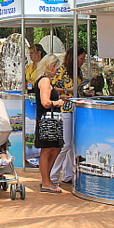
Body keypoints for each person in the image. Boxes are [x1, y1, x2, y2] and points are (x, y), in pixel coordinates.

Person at [50, 47, 87, 185]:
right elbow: (52, 87)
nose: (83, 61)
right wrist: (67, 90)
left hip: (74, 109)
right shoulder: (62, 70)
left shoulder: (76, 71)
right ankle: (53, 175)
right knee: (65, 144)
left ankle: (67, 175)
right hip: (65, 110)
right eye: (81, 58)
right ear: (74, 57)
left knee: (71, 145)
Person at [34, 54, 64, 193]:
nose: (57, 71)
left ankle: (47, 179)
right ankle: (45, 181)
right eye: (56, 68)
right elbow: (45, 102)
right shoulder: (45, 81)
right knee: (47, 150)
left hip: (50, 121)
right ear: (51, 66)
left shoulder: (45, 80)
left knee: (55, 148)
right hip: (47, 121)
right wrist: (57, 102)